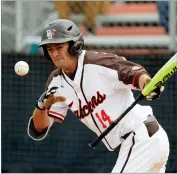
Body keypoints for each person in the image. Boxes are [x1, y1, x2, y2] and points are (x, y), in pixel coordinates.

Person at [27, 19, 170, 173]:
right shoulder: (55, 83)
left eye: (59, 47)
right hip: (138, 145)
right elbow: (40, 129)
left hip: (141, 138)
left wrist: (148, 84)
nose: (54, 53)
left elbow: (135, 74)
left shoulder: (98, 63)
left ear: (75, 46)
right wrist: (41, 106)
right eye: (49, 49)